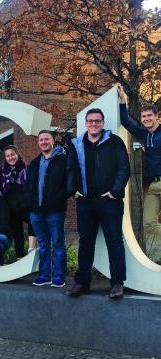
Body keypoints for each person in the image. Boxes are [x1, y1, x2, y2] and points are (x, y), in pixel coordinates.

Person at [66, 108, 130, 299]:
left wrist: (115, 191)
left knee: (115, 242)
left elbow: (123, 168)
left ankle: (117, 283)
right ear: (86, 123)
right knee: (85, 242)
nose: (94, 124)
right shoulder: (77, 144)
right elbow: (70, 169)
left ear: (102, 123)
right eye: (90, 121)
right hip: (85, 201)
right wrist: (72, 190)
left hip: (109, 201)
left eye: (97, 121)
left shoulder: (114, 142)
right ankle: (82, 283)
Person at [117, 84, 161, 262]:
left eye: (150, 115)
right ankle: (157, 259)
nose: (146, 118)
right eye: (144, 116)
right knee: (148, 224)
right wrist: (123, 102)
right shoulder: (144, 135)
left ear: (157, 116)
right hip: (151, 185)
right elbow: (126, 122)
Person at [27, 130, 68, 287]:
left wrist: (60, 197)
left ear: (53, 141)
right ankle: (44, 275)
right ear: (38, 143)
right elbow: (29, 185)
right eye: (41, 140)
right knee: (43, 244)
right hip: (36, 211)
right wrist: (30, 202)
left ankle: (59, 276)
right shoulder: (35, 162)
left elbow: (68, 183)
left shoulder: (62, 160)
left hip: (55, 210)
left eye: (46, 139)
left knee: (58, 243)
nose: (43, 142)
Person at [0, 145, 36, 258]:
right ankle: (20, 257)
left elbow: (32, 187)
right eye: (7, 156)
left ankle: (32, 249)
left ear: (17, 154)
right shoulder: (3, 171)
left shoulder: (26, 169)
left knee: (34, 223)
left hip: (26, 206)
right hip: (11, 209)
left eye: (12, 154)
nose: (10, 157)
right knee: (17, 234)